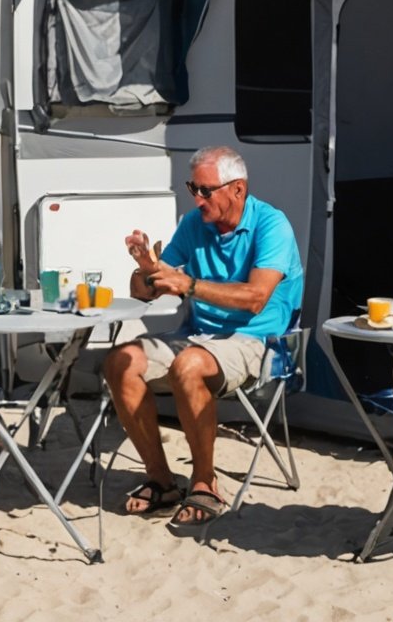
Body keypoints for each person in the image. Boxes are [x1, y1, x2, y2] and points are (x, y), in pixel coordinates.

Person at [101, 145, 304, 531]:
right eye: (193, 187)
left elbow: (256, 299)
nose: (197, 198)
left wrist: (188, 284)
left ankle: (204, 482)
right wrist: (147, 271)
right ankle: (162, 481)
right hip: (197, 336)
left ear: (238, 190)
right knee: (119, 361)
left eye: (205, 190)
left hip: (258, 341)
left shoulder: (271, 224)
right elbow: (145, 291)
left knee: (189, 364)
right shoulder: (196, 224)